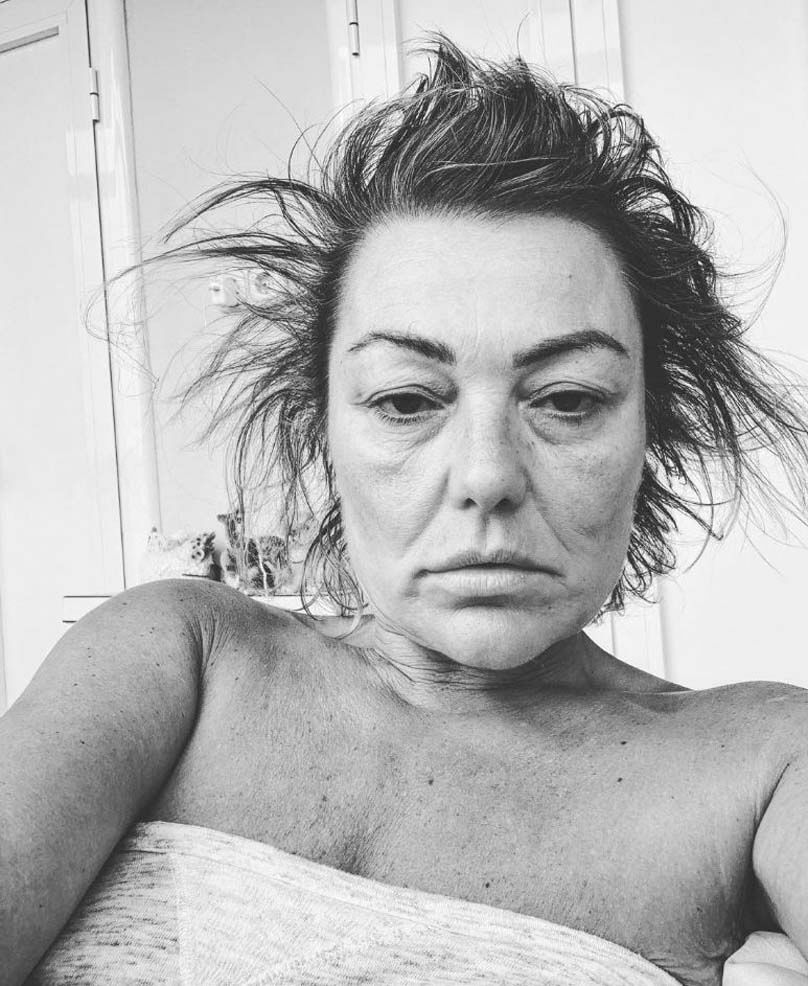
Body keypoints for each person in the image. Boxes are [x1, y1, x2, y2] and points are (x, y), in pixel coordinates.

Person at [2, 34, 808, 986]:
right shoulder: (179, 660)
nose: (487, 476)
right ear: (325, 432)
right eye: (406, 400)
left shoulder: (767, 766)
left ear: (649, 434)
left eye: (567, 399)